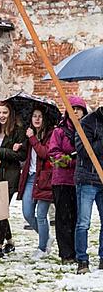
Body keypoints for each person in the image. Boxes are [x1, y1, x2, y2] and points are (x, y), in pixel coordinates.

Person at [48, 96, 88, 265]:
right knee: (63, 217)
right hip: (62, 180)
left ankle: (78, 250)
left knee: (78, 218)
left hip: (81, 179)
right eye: (74, 108)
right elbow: (53, 154)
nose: (76, 112)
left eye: (79, 109)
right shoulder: (59, 131)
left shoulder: (88, 130)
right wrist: (70, 160)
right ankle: (66, 253)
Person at [0, 100, 26, 258]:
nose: (1, 116)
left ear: (10, 114)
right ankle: (9, 241)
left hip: (11, 175)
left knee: (2, 209)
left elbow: (21, 156)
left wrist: (1, 151)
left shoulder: (18, 131)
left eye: (5, 112)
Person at [17, 105, 54, 260]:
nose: (37, 119)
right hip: (31, 178)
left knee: (41, 215)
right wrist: (20, 146)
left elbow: (45, 153)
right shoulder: (29, 135)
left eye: (39, 116)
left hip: (45, 178)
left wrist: (32, 138)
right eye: (34, 116)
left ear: (44, 119)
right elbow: (26, 155)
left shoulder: (50, 134)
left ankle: (42, 248)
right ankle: (47, 238)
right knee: (27, 213)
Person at [74, 105, 103, 274]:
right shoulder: (87, 122)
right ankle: (82, 260)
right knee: (84, 223)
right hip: (87, 179)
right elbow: (83, 150)